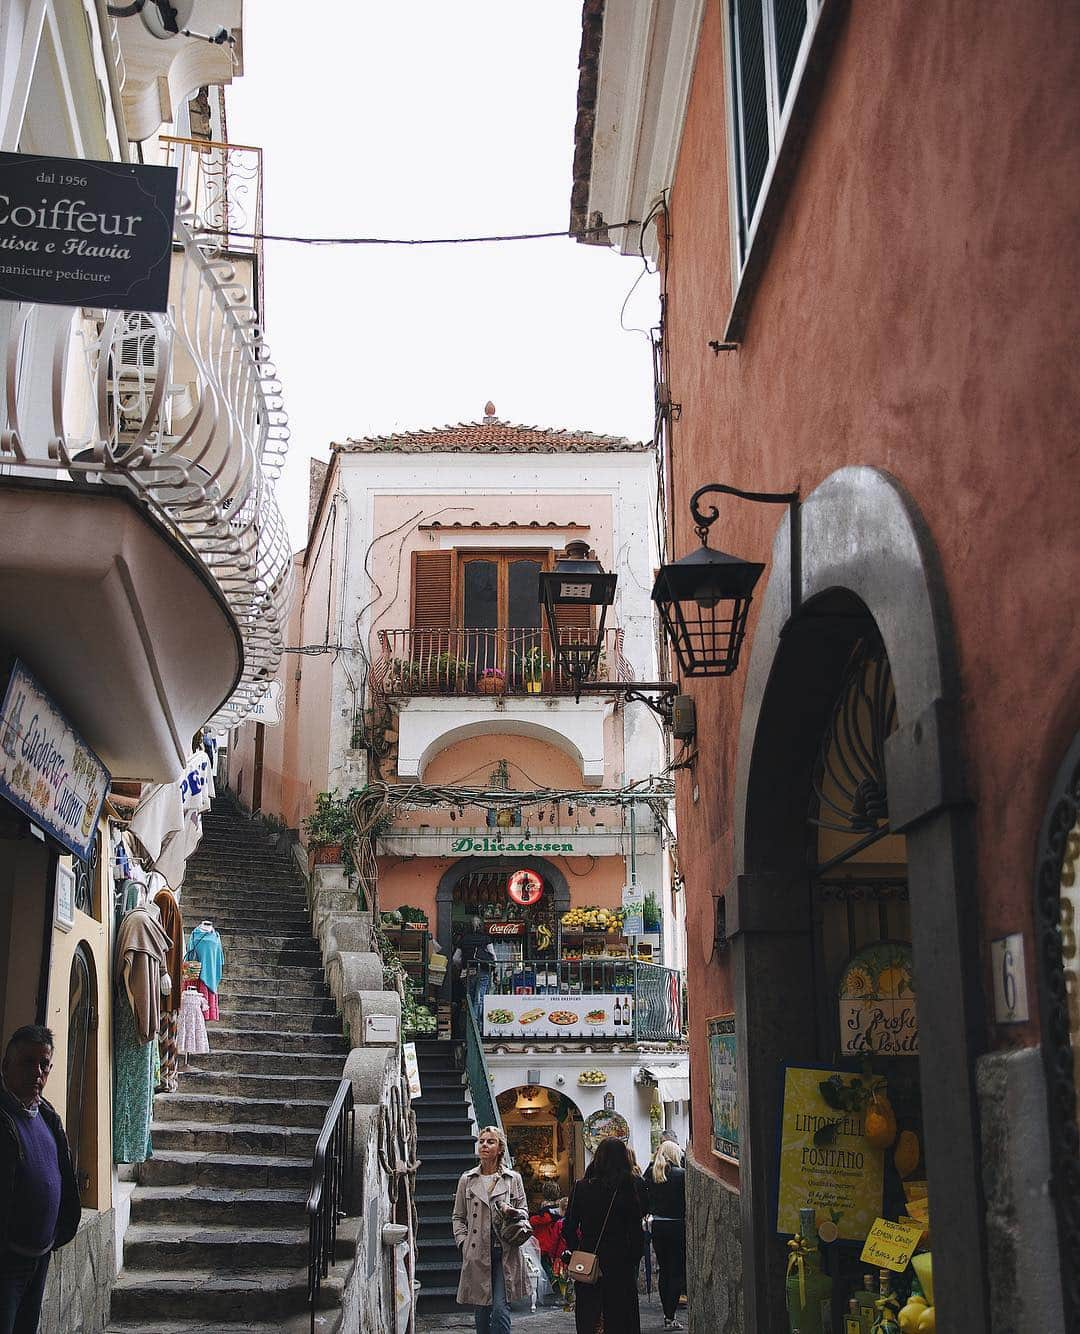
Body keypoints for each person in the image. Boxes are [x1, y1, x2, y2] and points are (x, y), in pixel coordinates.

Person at [0, 1026, 80, 1334]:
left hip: (39, 1258)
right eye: (27, 1062)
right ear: (6, 1066)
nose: (37, 1072)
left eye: (44, 1065)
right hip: (8, 1264)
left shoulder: (46, 1114)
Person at [562, 1137, 649, 1334]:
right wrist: (634, 1257)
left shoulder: (581, 1188)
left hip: (589, 1257)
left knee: (590, 1314)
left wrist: (578, 1249)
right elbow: (636, 1229)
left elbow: (568, 1226)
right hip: (620, 1260)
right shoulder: (629, 1187)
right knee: (621, 1316)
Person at [452, 1126, 531, 1333]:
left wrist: (511, 1211)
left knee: (499, 1309)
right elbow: (458, 1216)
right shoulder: (467, 1179)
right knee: (482, 1311)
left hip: (504, 1251)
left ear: (500, 1148)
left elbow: (524, 1212)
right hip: (477, 1253)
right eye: (482, 1141)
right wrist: (463, 1242)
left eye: (490, 1141)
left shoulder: (513, 1179)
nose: (484, 1145)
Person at [643, 1139, 687, 1329]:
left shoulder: (651, 1173)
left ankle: (666, 1315)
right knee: (676, 1271)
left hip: (657, 1227)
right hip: (676, 1227)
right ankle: (671, 1316)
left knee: (664, 1270)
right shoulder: (681, 1174)